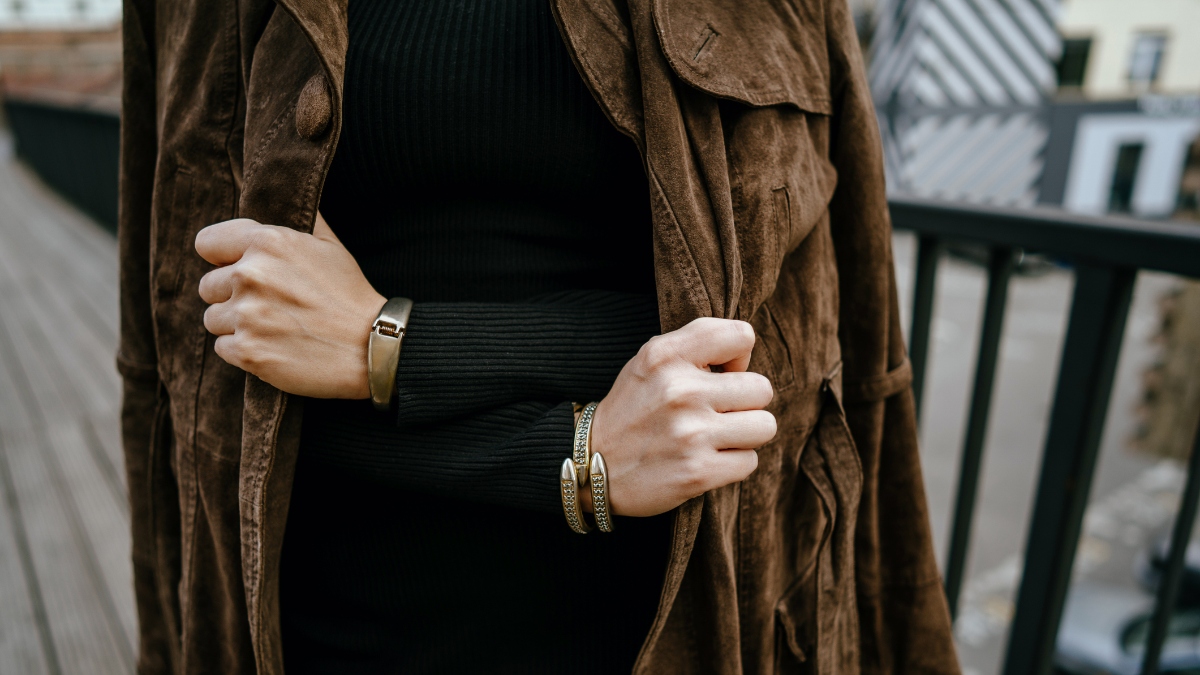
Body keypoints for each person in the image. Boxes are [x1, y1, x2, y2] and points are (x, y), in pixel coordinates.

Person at [117, 0, 960, 673]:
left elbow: (801, 349)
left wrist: (383, 346)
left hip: (673, 617)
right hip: (323, 621)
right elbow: (193, 361)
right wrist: (580, 455)